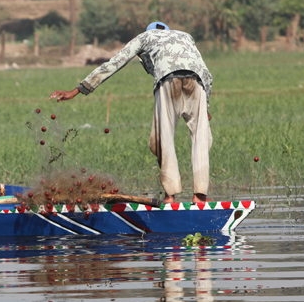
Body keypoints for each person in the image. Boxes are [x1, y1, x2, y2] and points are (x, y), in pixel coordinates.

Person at [50, 22, 214, 205]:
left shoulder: (145, 37)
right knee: (201, 137)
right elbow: (206, 72)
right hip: (197, 83)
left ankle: (170, 197)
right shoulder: (185, 36)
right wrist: (205, 105)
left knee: (163, 138)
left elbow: (115, 63)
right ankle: (200, 197)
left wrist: (77, 90)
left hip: (167, 80)